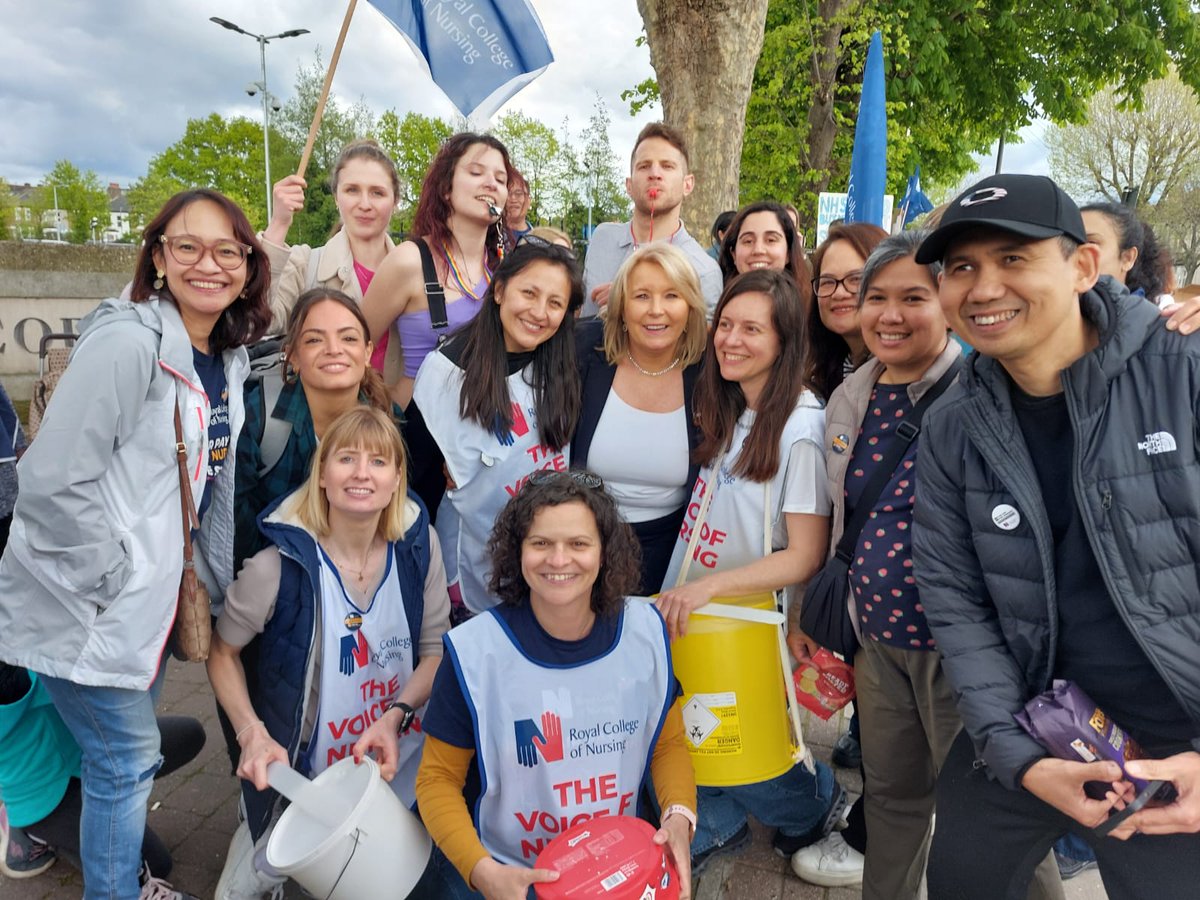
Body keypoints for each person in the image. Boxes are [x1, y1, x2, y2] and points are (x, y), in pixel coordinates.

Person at [911, 173, 1200, 900]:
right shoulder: (952, 424)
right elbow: (956, 599)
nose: (983, 288)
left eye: (1012, 259)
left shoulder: (1182, 373)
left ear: (1081, 267)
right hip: (1033, 718)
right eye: (962, 267)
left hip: (1177, 736)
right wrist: (1021, 758)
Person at [0, 188, 271, 900]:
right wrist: (115, 581)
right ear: (157, 255)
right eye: (187, 246)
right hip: (93, 604)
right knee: (127, 760)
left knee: (116, 758)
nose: (208, 263)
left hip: (147, 609)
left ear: (248, 262)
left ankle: (62, 841)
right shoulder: (128, 344)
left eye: (227, 250)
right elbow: (53, 482)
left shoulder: (225, 358)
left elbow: (202, 488)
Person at [416, 472, 696, 899]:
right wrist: (480, 870)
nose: (559, 559)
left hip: (618, 870)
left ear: (604, 554)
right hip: (511, 874)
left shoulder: (645, 633)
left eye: (579, 544)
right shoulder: (476, 653)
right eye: (541, 543)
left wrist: (678, 816)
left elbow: (667, 744)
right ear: (518, 552)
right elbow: (436, 780)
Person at [208, 406, 450, 899]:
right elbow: (222, 654)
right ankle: (252, 830)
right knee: (243, 889)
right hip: (305, 782)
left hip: (397, 763)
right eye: (347, 459)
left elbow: (435, 653)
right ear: (322, 474)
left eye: (379, 462)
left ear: (397, 479)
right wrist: (251, 734)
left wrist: (396, 716)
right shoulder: (275, 568)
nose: (362, 473)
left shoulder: (419, 546)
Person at [656, 269, 846, 870]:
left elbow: (805, 553)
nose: (731, 340)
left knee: (735, 737)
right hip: (713, 617)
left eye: (752, 330)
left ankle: (812, 805)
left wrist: (710, 587)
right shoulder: (738, 407)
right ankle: (716, 813)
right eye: (726, 326)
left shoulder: (801, 427)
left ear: (786, 341)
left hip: (747, 619)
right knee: (704, 727)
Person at [412, 241, 583, 622]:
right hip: (473, 568)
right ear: (500, 290)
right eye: (529, 293)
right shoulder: (446, 374)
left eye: (555, 303)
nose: (540, 313)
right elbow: (418, 477)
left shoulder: (562, 359)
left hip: (550, 560)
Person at [0, 662, 206, 895]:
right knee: (150, 865)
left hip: (85, 752)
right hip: (46, 792)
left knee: (188, 734)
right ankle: (29, 831)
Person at [572, 244, 707, 592]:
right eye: (642, 296)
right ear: (620, 307)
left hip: (672, 553)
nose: (656, 311)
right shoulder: (586, 350)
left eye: (672, 295)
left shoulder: (710, 371)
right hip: (581, 542)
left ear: (691, 306)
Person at [234, 287, 396, 570]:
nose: (334, 349)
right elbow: (236, 524)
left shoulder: (386, 418)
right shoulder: (256, 416)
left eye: (348, 338)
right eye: (314, 340)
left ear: (367, 351)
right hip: (272, 577)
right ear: (293, 356)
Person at [362, 132, 515, 410]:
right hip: (418, 434)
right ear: (447, 188)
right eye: (476, 172)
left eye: (501, 179)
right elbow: (356, 348)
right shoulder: (408, 261)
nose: (491, 184)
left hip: (481, 435)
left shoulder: (503, 268)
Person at [582, 122, 722, 317]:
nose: (655, 174)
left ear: (687, 184)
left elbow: (700, 344)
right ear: (629, 185)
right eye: (644, 166)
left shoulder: (703, 270)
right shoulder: (602, 238)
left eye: (667, 166)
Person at [260, 139, 399, 332]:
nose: (365, 204)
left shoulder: (419, 273)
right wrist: (278, 224)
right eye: (352, 190)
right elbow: (259, 323)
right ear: (336, 197)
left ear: (395, 201)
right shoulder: (305, 265)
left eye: (377, 193)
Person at [806, 223, 889, 403]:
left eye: (855, 279)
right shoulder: (820, 372)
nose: (839, 293)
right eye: (828, 281)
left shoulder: (900, 378)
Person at [1080, 202, 1170, 307]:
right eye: (1070, 243)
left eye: (1092, 243)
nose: (1075, 253)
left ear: (1128, 258)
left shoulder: (1152, 319)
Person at [717, 201, 811, 295]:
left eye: (771, 240)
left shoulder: (808, 305)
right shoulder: (721, 305)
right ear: (733, 254)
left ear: (788, 252)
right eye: (748, 241)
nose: (758, 250)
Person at [505, 170, 532, 242]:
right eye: (508, 194)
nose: (513, 199)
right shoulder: (490, 237)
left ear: (529, 201)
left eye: (518, 193)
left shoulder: (539, 239)